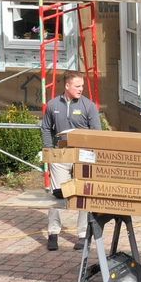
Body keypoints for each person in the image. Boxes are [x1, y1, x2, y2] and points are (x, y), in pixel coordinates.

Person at [39, 72, 101, 251]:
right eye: (77, 86)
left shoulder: (88, 106)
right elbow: (45, 128)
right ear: (67, 86)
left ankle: (83, 235)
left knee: (83, 194)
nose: (81, 89)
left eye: (82, 86)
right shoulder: (53, 105)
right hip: (61, 155)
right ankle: (53, 233)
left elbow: (97, 132)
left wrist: (91, 155)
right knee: (56, 193)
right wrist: (50, 151)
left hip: (83, 156)